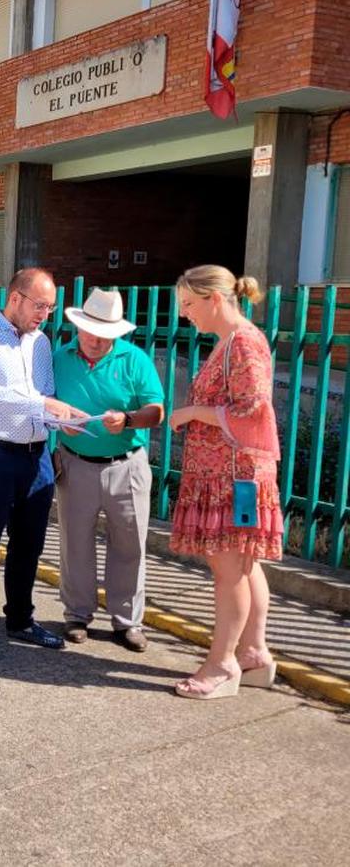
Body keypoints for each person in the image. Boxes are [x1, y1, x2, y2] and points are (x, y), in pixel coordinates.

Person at [0, 268, 85, 662]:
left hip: (37, 456)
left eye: (50, 307)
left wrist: (63, 420)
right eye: (40, 305)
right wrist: (41, 405)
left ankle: (20, 620)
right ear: (15, 298)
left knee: (29, 545)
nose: (45, 313)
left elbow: (44, 394)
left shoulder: (41, 342)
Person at [168, 265, 283, 700]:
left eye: (189, 305)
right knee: (244, 564)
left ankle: (222, 665)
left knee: (229, 568)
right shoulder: (231, 341)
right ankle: (253, 652)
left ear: (214, 299)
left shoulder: (243, 342)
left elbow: (254, 410)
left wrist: (193, 413)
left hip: (235, 477)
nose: (185, 315)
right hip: (230, 475)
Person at [52, 289, 164, 652]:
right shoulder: (59, 357)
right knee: (75, 542)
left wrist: (129, 419)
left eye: (105, 336)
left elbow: (156, 411)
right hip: (76, 460)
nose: (96, 341)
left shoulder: (135, 359)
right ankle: (77, 614)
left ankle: (127, 621)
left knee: (130, 544)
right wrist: (59, 421)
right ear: (78, 328)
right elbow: (42, 402)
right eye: (89, 332)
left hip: (125, 463)